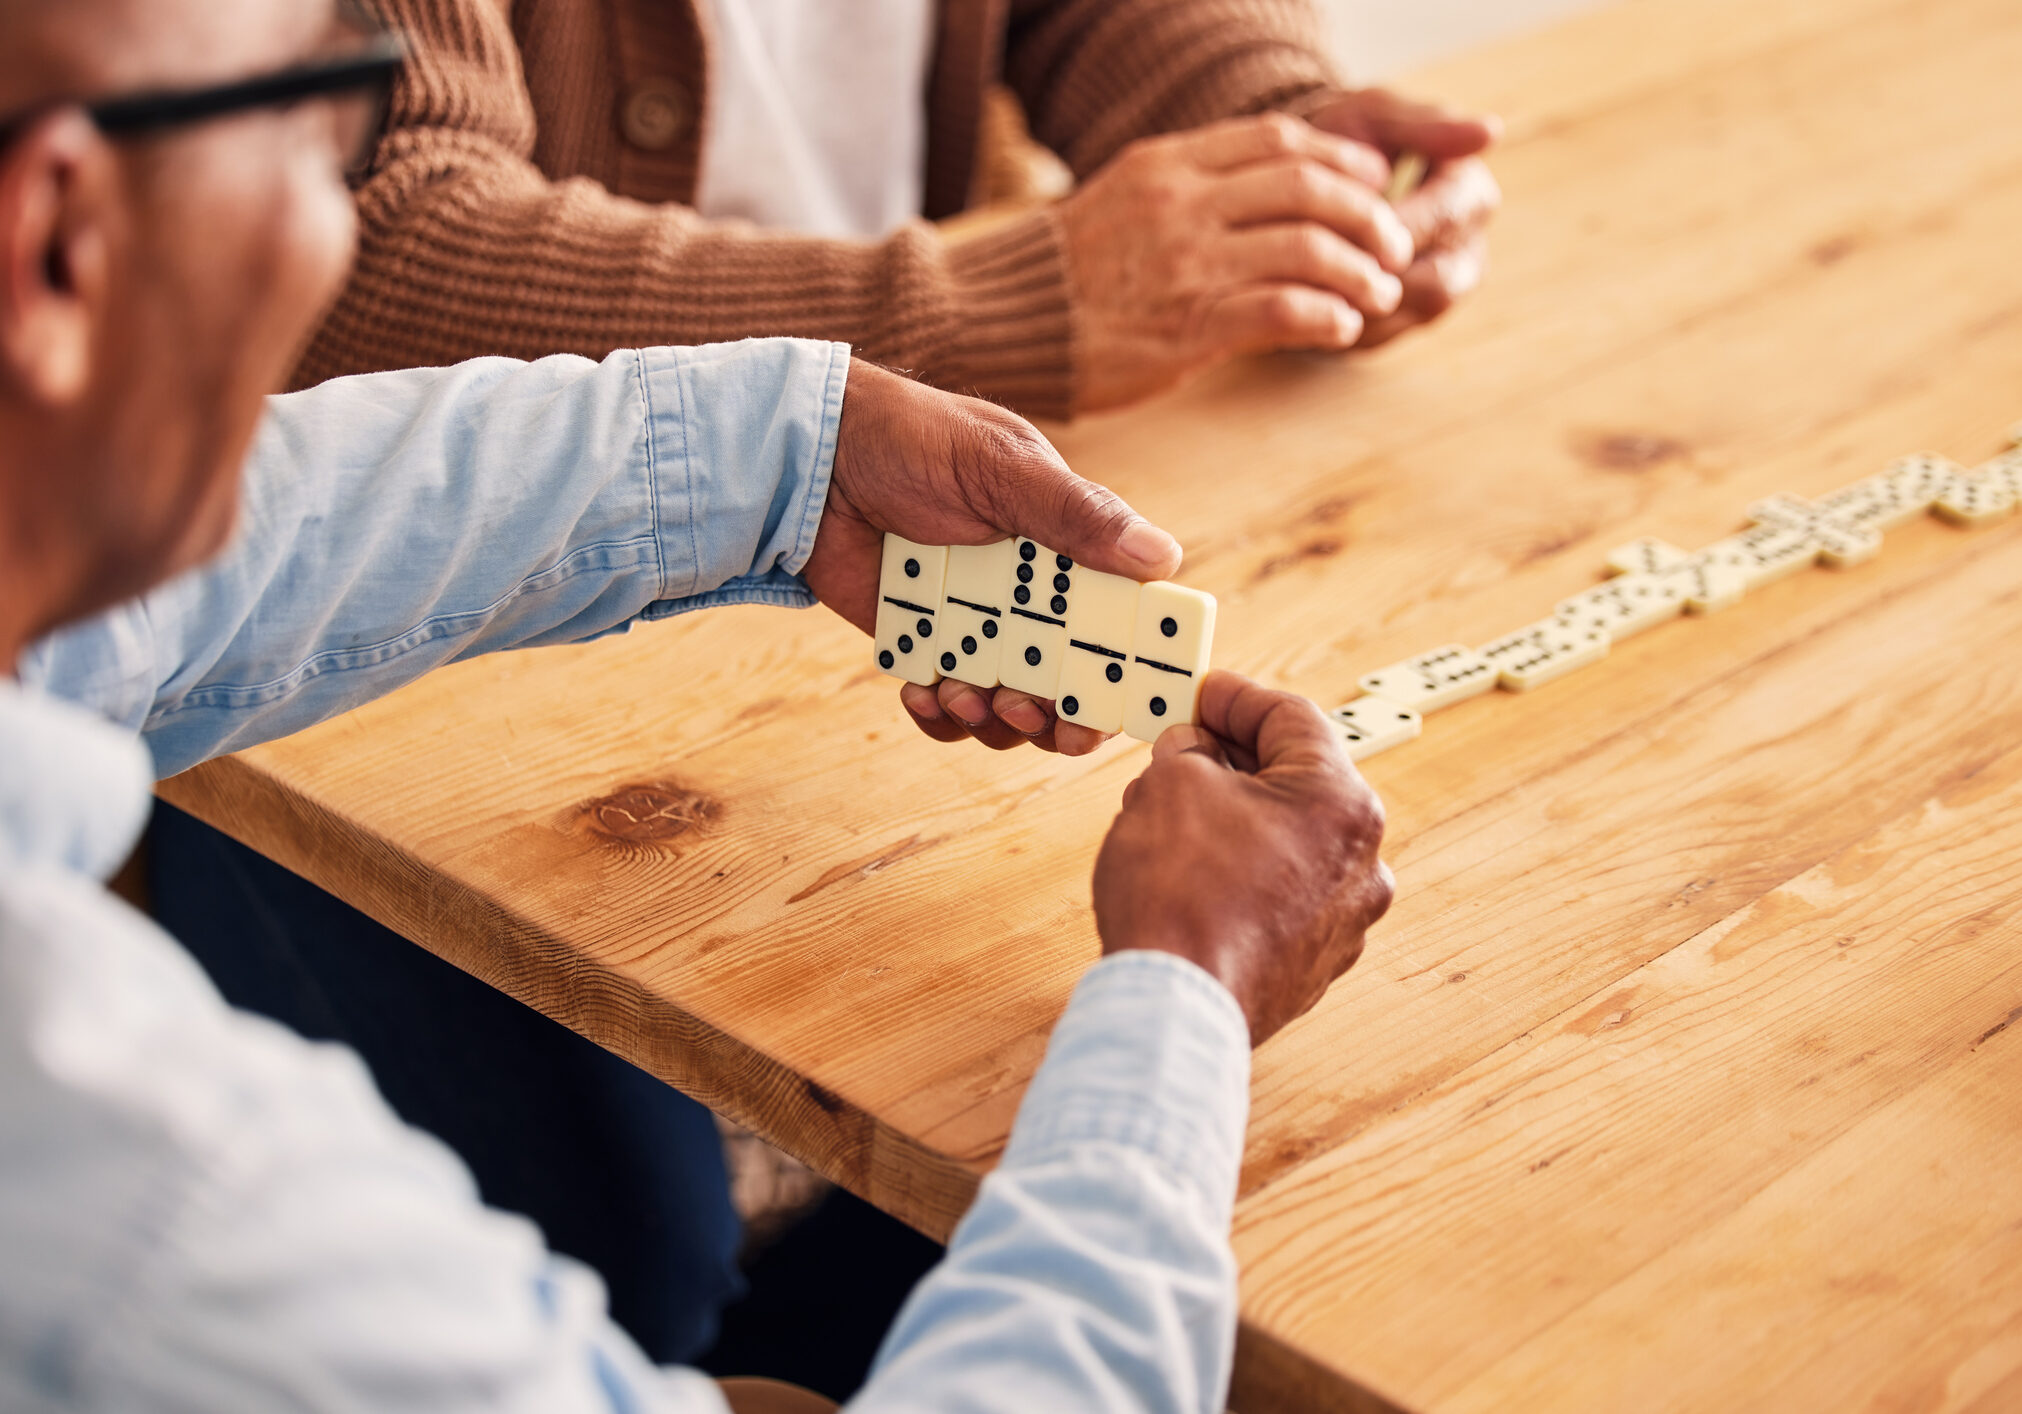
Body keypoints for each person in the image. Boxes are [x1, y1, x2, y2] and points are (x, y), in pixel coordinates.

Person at [0, 2, 1396, 1413]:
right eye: (321, 116)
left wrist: (791, 454)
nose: (338, 220)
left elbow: (219, 572)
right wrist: (1187, 994)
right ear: (55, 239)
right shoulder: (160, 1200)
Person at [301, 0, 1503, 419]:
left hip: (875, 541)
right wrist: (999, 312)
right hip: (390, 684)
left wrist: (1278, 157)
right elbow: (367, 258)